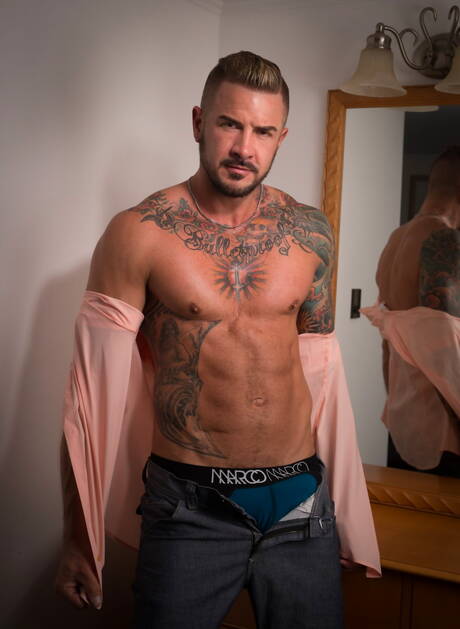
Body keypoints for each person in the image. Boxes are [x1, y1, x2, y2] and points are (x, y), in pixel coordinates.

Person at [56, 51, 380, 628]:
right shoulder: (139, 233)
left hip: (301, 506)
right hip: (191, 508)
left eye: (263, 131)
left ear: (281, 138)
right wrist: (80, 540)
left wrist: (350, 518)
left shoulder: (310, 233)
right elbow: (89, 396)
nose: (244, 147)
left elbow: (323, 373)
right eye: (230, 124)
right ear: (199, 122)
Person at [367, 146, 460, 476]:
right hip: (445, 433)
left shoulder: (396, 239)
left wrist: (396, 404)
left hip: (406, 421)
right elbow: (445, 356)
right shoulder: (444, 240)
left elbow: (387, 344)